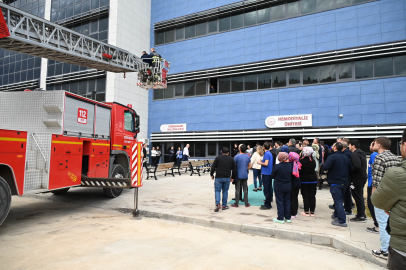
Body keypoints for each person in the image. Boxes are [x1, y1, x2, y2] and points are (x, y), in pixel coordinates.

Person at [371, 129, 406, 269]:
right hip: (396, 196)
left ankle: (384, 249)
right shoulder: (394, 157)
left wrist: (375, 198)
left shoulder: (379, 158)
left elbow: (376, 181)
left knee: (382, 223)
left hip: (386, 196)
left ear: (378, 145)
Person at [323, 142, 352, 227]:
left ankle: (342, 221)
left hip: (335, 182)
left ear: (335, 148)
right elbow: (351, 168)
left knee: (338, 201)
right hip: (344, 182)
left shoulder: (332, 157)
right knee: (339, 200)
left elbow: (325, 167)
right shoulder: (346, 157)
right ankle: (336, 215)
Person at [211, 147, 236, 212]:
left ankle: (217, 204)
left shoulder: (218, 158)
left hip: (218, 177)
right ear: (228, 153)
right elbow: (234, 170)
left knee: (217, 191)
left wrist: (211, 174)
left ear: (221, 152)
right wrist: (232, 177)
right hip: (227, 177)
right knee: (225, 191)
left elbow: (213, 167)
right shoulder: (231, 159)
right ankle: (224, 205)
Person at [348, 139, 368, 222]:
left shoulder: (355, 155)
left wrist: (349, 169)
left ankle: (361, 215)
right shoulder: (361, 153)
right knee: (359, 195)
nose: (348, 147)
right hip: (361, 177)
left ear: (353, 146)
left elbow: (357, 166)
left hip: (357, 178)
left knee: (357, 196)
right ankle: (361, 213)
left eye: (349, 145)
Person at [271, 152, 292, 224]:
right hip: (288, 186)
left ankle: (280, 218)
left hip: (279, 186)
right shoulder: (289, 166)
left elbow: (272, 176)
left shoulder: (277, 166)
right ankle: (288, 217)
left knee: (280, 202)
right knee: (287, 202)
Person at [299, 147, 318, 217]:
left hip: (304, 180)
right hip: (313, 179)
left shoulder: (301, 161)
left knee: (305, 196)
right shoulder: (313, 161)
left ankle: (306, 211)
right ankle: (312, 212)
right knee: (312, 196)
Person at [366, 140, 379, 234]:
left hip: (372, 184)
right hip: (373, 183)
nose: (370, 146)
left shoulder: (374, 155)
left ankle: (377, 225)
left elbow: (375, 171)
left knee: (371, 204)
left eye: (371, 144)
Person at [258, 142, 273, 210]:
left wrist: (260, 162)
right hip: (269, 173)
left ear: (264, 147)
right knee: (269, 188)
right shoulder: (269, 153)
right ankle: (268, 202)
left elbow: (266, 164)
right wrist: (262, 161)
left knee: (266, 189)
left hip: (266, 173)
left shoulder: (266, 153)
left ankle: (267, 204)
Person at [289, 152, 301, 219]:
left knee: (291, 198)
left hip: (292, 183)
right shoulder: (298, 164)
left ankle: (292, 213)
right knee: (295, 198)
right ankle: (295, 212)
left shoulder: (289, 165)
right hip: (297, 183)